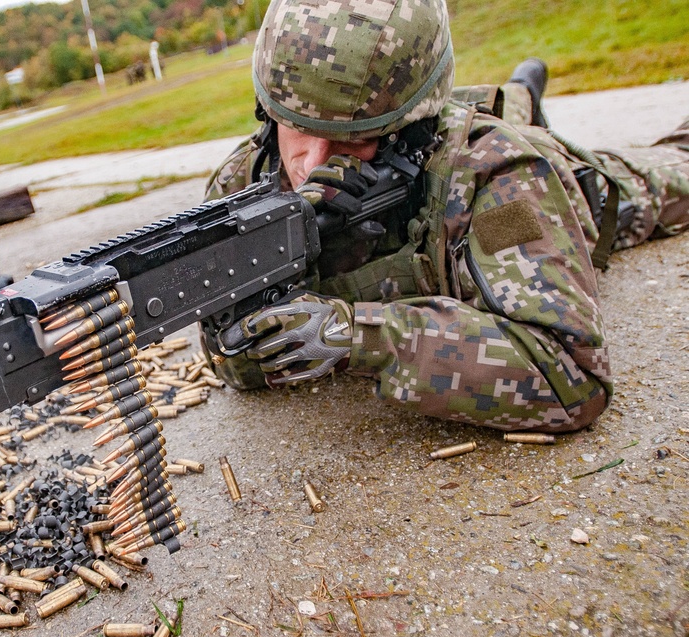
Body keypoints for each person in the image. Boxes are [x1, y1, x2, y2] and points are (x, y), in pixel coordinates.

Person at [202, 0, 689, 433]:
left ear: (410, 129)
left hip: (573, 188)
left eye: (352, 138)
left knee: (661, 178)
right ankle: (520, 94)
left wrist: (360, 335)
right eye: (297, 128)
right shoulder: (243, 185)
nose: (311, 163)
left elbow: (572, 377)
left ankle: (520, 103)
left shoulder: (498, 174)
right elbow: (228, 359)